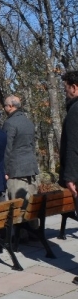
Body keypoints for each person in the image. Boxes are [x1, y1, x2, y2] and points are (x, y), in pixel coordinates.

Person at [2, 95, 39, 208]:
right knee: (31, 206)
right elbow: (32, 145)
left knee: (16, 207)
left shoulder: (10, 123)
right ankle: (33, 226)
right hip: (31, 168)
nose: (4, 108)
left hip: (16, 170)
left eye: (5, 106)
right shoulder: (29, 122)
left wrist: (5, 171)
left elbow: (7, 148)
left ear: (10, 106)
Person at [59, 71, 78, 286]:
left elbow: (73, 146)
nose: (65, 91)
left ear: (74, 87)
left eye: (66, 87)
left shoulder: (75, 110)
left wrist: (71, 176)